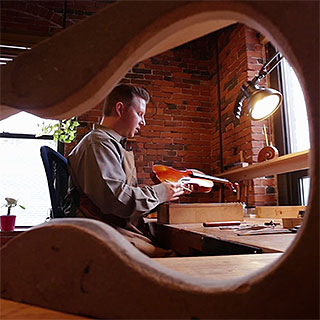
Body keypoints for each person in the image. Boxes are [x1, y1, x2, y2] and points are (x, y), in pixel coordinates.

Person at [65, 84, 187, 257]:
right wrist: (160, 193)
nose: (143, 122)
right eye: (140, 114)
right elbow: (116, 201)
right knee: (179, 259)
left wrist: (165, 195)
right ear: (120, 109)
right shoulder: (99, 144)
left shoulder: (111, 144)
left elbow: (122, 199)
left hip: (114, 227)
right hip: (102, 231)